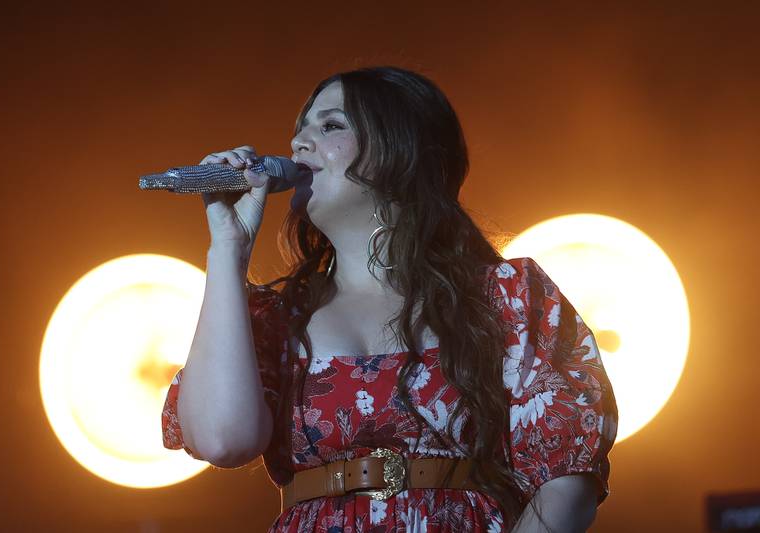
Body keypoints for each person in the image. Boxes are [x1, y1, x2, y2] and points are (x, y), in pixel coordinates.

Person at [160, 66, 618, 533]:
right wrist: (228, 249)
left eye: (331, 125)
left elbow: (567, 482)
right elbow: (222, 441)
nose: (298, 143)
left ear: (400, 149)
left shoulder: (507, 297)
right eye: (300, 130)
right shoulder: (276, 321)